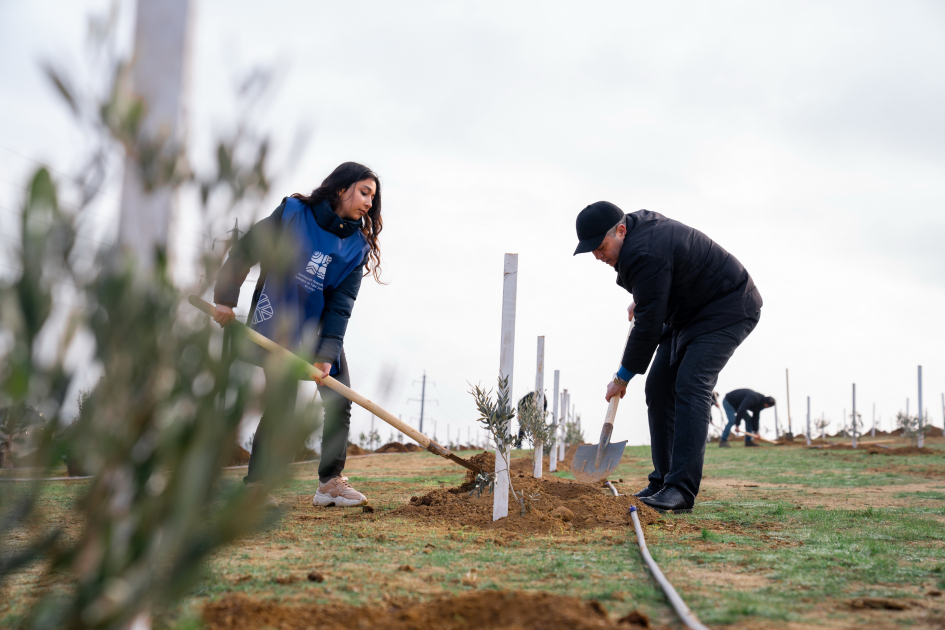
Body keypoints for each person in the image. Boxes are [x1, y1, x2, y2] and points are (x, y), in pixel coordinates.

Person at [212, 162, 384, 508]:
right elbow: (247, 250)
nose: (369, 202)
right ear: (341, 188)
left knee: (339, 399)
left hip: (319, 329)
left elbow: (341, 305)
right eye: (364, 192)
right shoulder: (293, 214)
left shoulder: (357, 247)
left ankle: (330, 484)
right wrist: (226, 299)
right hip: (277, 322)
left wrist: (327, 354)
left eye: (373, 197)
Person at [573, 201, 762, 514]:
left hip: (727, 306)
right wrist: (648, 299)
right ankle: (662, 481)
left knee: (691, 383)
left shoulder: (643, 250)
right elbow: (659, 285)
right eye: (592, 250)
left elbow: (648, 324)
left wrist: (622, 376)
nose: (598, 255)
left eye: (601, 247)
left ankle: (680, 490)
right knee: (658, 387)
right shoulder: (636, 240)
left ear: (621, 231)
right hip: (688, 314)